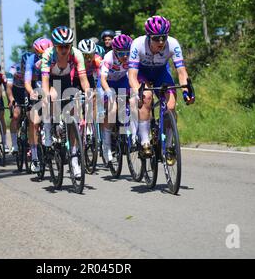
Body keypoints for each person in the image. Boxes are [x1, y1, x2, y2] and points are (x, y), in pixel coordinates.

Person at [128, 15, 195, 157]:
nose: (161, 42)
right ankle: (145, 141)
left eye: (163, 37)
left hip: (161, 74)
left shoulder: (173, 44)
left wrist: (186, 91)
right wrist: (137, 92)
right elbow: (132, 75)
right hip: (142, 74)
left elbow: (182, 72)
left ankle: (169, 144)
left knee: (171, 105)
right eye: (156, 38)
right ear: (148, 37)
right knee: (146, 97)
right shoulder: (137, 44)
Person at [41, 26, 90, 179]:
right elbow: (45, 80)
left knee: (75, 108)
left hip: (66, 81)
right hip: (52, 81)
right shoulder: (48, 55)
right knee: (50, 98)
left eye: (67, 46)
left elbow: (83, 79)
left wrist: (88, 93)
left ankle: (74, 158)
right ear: (55, 45)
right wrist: (46, 95)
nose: (64, 49)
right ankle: (48, 134)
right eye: (61, 46)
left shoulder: (77, 54)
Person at [99, 34, 136, 162]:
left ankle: (134, 135)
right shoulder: (108, 58)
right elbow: (102, 79)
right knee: (112, 110)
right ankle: (106, 145)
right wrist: (108, 91)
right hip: (107, 83)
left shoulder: (132, 56)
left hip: (121, 80)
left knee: (134, 101)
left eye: (127, 53)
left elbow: (136, 74)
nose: (125, 56)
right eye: (121, 54)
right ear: (115, 52)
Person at [25, 37, 53, 173]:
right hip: (35, 89)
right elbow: (27, 82)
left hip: (50, 86)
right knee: (34, 122)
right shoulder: (30, 60)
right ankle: (35, 156)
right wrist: (32, 93)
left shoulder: (55, 55)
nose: (43, 57)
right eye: (40, 55)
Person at [6, 52, 30, 155]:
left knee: (32, 115)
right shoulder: (13, 68)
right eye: (24, 66)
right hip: (16, 91)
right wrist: (11, 99)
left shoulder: (33, 67)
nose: (26, 68)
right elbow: (8, 87)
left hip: (27, 91)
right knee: (16, 115)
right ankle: (15, 144)